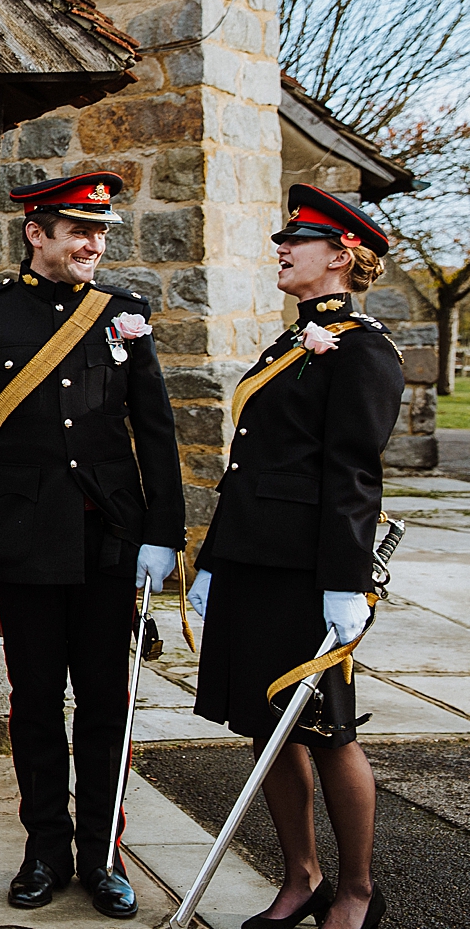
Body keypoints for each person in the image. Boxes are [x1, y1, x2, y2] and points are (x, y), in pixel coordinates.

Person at [0, 171, 184, 918]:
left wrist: (162, 534)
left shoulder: (124, 314)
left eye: (100, 232)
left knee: (107, 703)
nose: (92, 244)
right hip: (23, 536)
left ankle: (103, 855)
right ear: (36, 233)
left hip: (110, 535)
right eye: (78, 230)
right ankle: (44, 850)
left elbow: (158, 434)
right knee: (35, 701)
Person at [188, 185, 404, 929]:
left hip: (311, 575)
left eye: (296, 241)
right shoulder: (292, 341)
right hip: (253, 561)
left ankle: (355, 893)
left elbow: (352, 475)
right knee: (264, 723)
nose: (281, 249)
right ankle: (301, 878)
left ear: (341, 255)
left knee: (327, 729)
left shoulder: (365, 349)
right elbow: (248, 466)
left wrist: (345, 586)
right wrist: (213, 561)